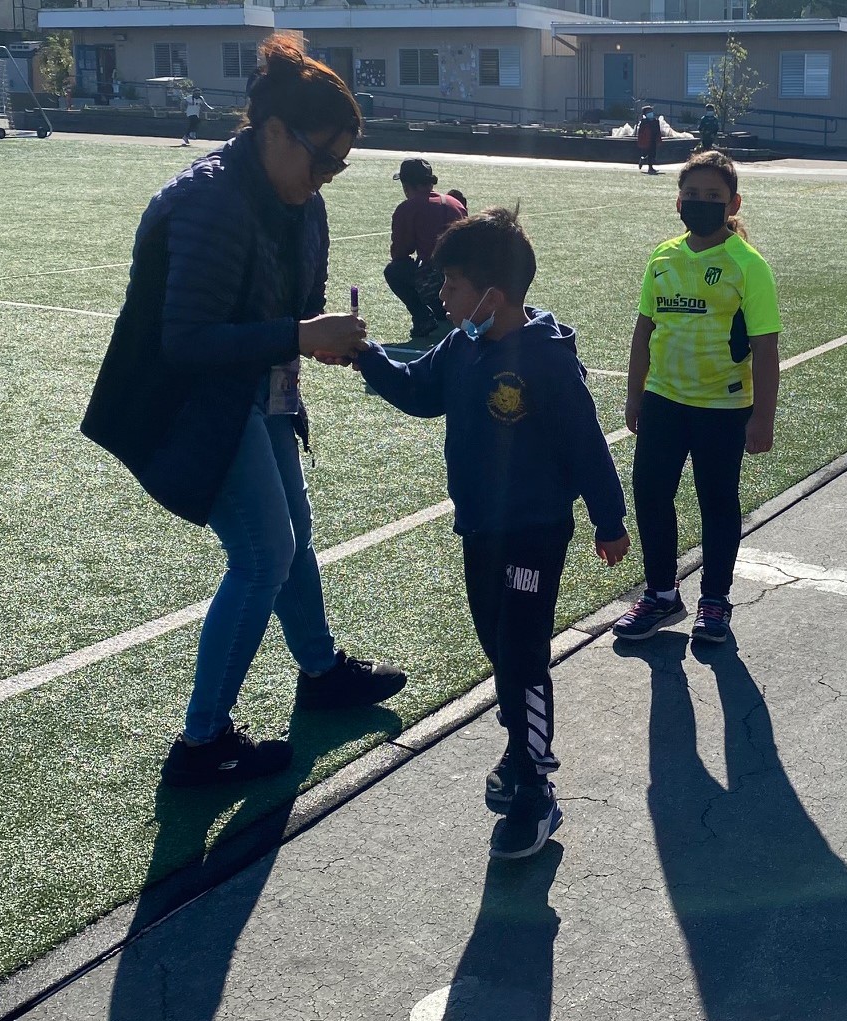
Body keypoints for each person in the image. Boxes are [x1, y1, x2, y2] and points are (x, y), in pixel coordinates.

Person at [80, 35, 406, 787]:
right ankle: (202, 743)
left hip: (257, 388)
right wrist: (298, 335)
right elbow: (186, 342)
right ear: (271, 131)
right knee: (263, 553)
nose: (325, 177)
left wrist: (316, 337)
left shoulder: (300, 202)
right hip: (190, 401)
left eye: (338, 165)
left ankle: (321, 670)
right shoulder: (209, 201)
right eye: (319, 158)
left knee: (294, 536)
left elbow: (295, 306)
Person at [353, 207, 630, 859]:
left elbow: (585, 443)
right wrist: (366, 358)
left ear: (491, 296)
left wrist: (609, 517)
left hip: (533, 533)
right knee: (497, 645)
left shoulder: (544, 361)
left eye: (450, 285)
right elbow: (421, 392)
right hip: (479, 530)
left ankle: (535, 789)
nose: (441, 296)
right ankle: (518, 746)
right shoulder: (463, 344)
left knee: (523, 653)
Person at [615, 150, 780, 644]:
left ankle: (715, 601)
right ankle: (662, 594)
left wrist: (762, 419)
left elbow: (765, 348)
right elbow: (644, 332)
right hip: (664, 400)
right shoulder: (663, 258)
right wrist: (635, 394)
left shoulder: (747, 266)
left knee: (717, 502)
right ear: (678, 201)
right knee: (650, 494)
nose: (702, 203)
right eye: (693, 195)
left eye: (714, 196)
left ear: (733, 203)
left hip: (724, 408)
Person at [386, 157, 466, 344]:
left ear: (406, 186)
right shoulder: (455, 203)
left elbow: (400, 253)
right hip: (467, 278)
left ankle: (423, 318)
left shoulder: (409, 207)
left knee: (394, 271)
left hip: (436, 280)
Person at [636, 105, 664, 174]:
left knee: (652, 154)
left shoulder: (655, 121)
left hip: (653, 140)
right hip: (647, 140)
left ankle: (647, 164)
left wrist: (659, 140)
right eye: (648, 112)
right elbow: (641, 133)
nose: (651, 113)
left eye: (651, 111)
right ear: (645, 114)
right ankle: (647, 164)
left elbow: (658, 131)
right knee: (648, 153)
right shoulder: (644, 122)